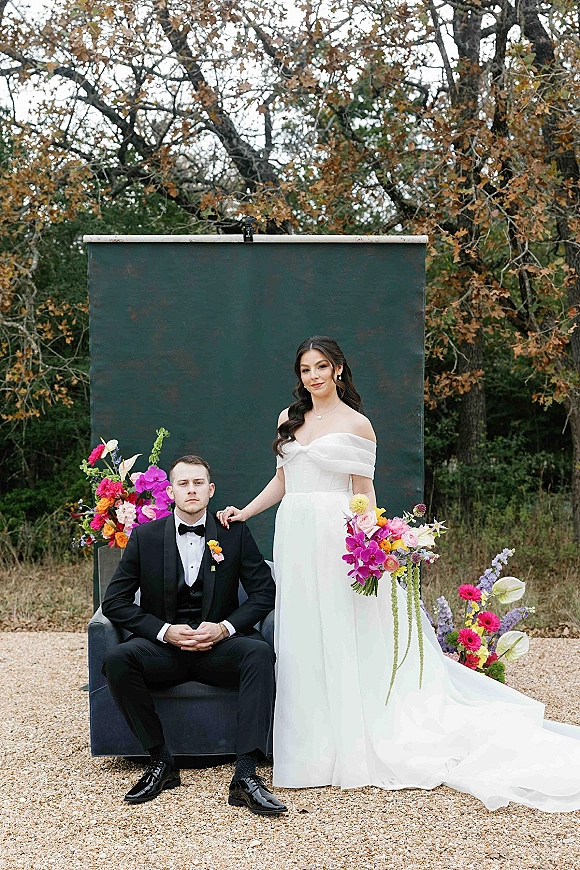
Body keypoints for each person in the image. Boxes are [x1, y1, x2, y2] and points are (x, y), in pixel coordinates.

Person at [218, 335, 580, 812]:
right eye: (305, 369)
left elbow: (363, 490)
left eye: (321, 366)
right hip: (295, 534)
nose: (313, 376)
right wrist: (246, 511)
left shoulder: (358, 424)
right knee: (303, 633)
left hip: (337, 535)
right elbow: (284, 481)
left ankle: (354, 742)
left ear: (339, 370)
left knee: (345, 630)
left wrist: (370, 540)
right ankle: (307, 753)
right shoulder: (288, 420)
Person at [101, 454, 287, 816]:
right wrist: (165, 632)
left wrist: (225, 628)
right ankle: (161, 761)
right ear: (170, 491)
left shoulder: (234, 534)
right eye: (183, 484)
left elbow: (265, 592)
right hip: (164, 652)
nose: (191, 490)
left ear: (211, 489)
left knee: (259, 653)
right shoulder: (144, 537)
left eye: (198, 483)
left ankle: (246, 776)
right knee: (117, 660)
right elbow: (115, 602)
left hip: (219, 649)